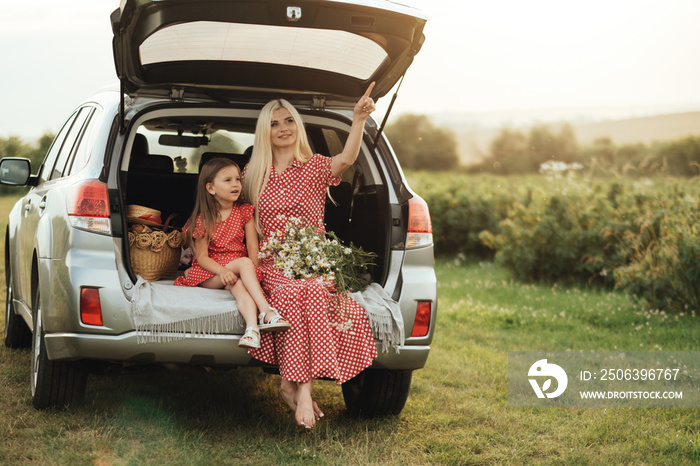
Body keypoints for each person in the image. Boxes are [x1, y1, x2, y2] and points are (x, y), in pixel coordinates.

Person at [243, 83, 379, 428]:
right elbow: (241, 222)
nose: (283, 128)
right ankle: (300, 392)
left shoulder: (315, 167)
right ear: (265, 131)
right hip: (273, 261)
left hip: (313, 258)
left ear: (297, 126)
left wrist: (357, 119)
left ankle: (294, 388)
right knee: (290, 292)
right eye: (274, 124)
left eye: (289, 120)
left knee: (316, 290)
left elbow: (347, 158)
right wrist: (253, 265)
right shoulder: (252, 174)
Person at [175, 157, 291, 348]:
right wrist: (223, 271)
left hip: (236, 270)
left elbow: (253, 247)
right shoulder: (205, 219)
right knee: (244, 264)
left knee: (240, 288)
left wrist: (253, 274)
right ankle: (266, 311)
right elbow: (202, 257)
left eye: (237, 179)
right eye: (227, 180)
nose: (235, 184)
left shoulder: (245, 212)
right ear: (211, 188)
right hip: (211, 273)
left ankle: (252, 330)